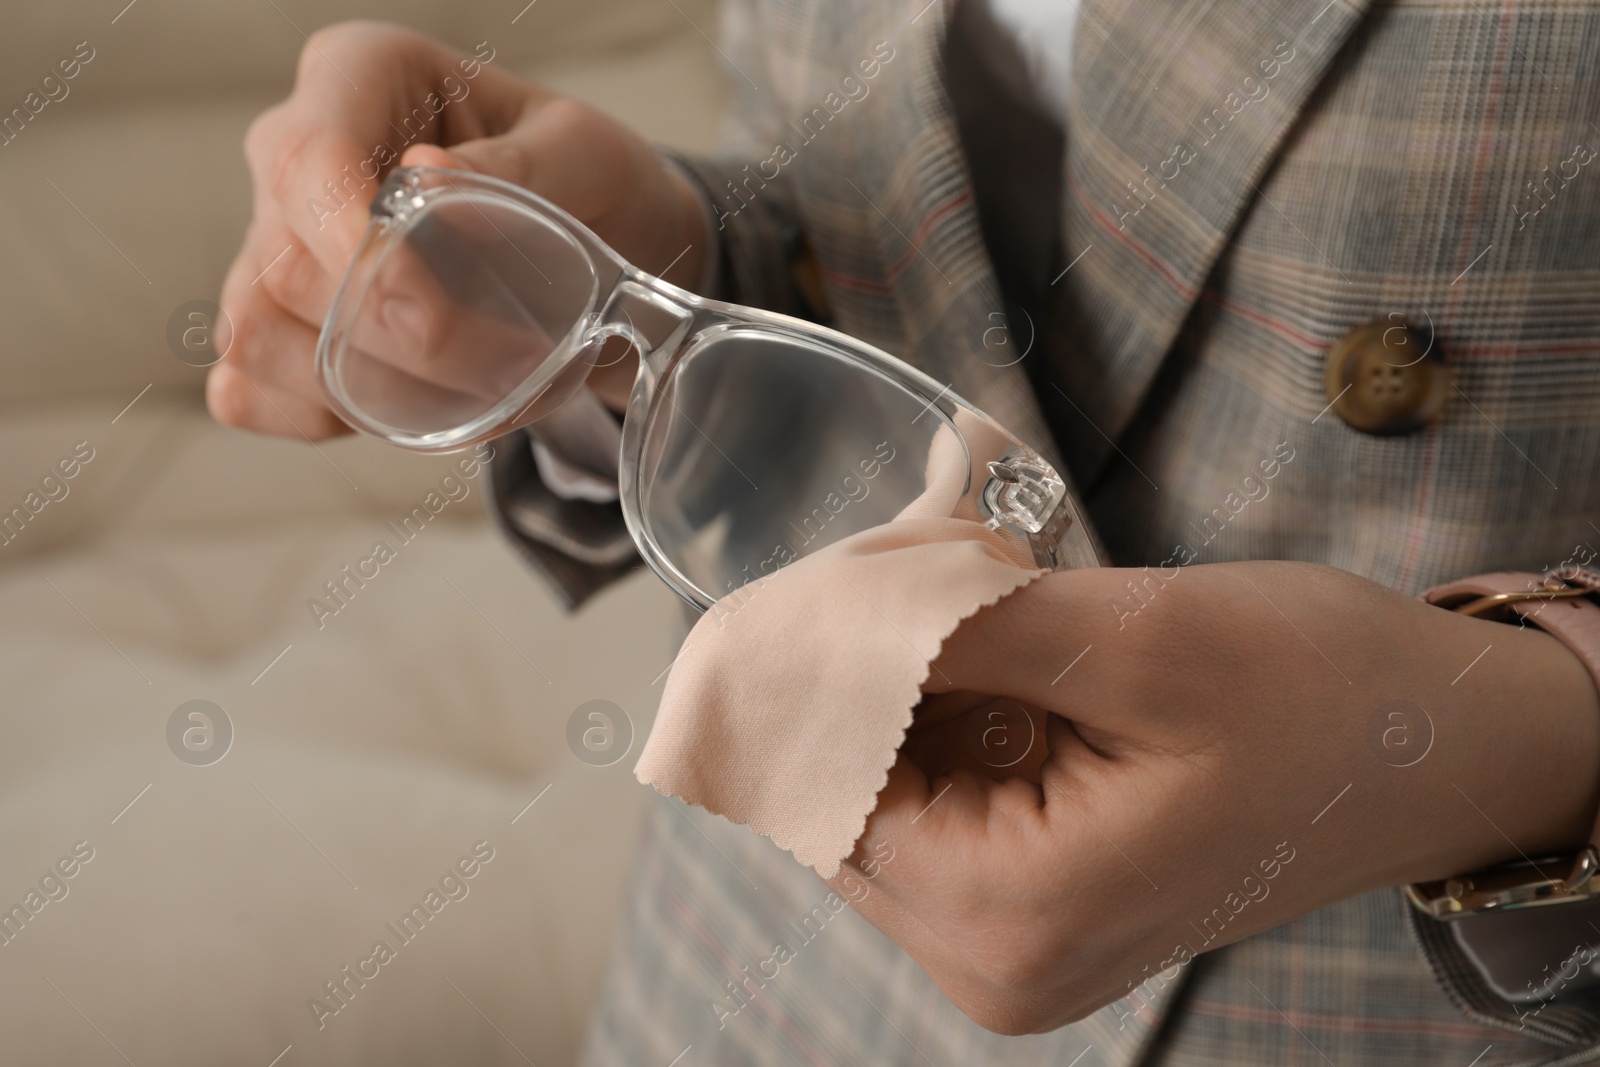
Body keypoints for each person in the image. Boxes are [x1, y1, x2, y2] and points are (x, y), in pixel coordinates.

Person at [211, 1, 1600, 1062]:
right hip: (760, 985)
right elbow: (890, 226)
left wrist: (1501, 735)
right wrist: (661, 283)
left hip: (1389, 1011)